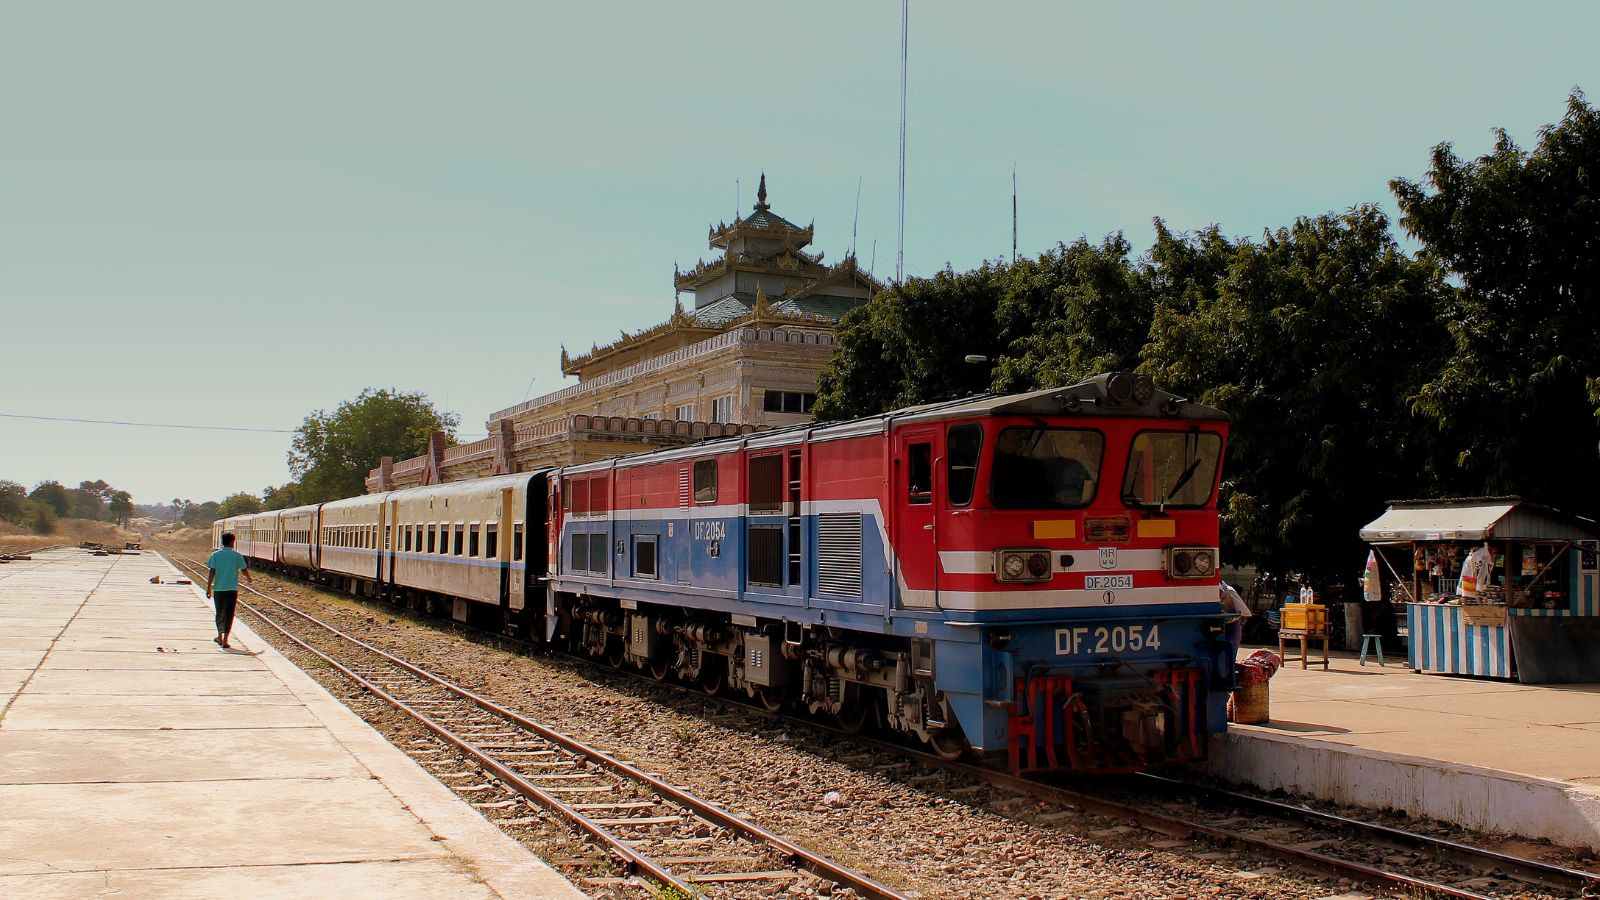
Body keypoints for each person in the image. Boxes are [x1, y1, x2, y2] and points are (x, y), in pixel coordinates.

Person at [206, 532, 253, 649]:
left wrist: (208, 588)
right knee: (229, 613)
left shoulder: (215, 555)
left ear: (222, 542)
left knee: (219, 613)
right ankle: (226, 639)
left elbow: (212, 572)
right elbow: (243, 569)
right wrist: (248, 578)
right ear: (232, 542)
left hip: (219, 589)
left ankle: (219, 636)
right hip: (232, 590)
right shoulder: (237, 555)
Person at [1220, 580, 1251, 659]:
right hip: (1220, 626)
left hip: (1231, 626)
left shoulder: (1229, 591)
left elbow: (1246, 612)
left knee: (1229, 657)